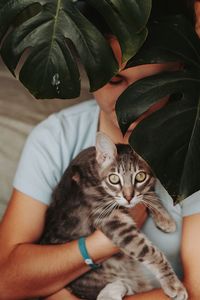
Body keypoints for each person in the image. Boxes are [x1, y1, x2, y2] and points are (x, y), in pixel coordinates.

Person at [0, 1, 200, 299]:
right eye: (113, 80)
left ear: (179, 69)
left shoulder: (192, 142)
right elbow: (7, 282)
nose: (126, 104)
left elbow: (196, 291)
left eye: (149, 84)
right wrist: (100, 244)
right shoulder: (57, 137)